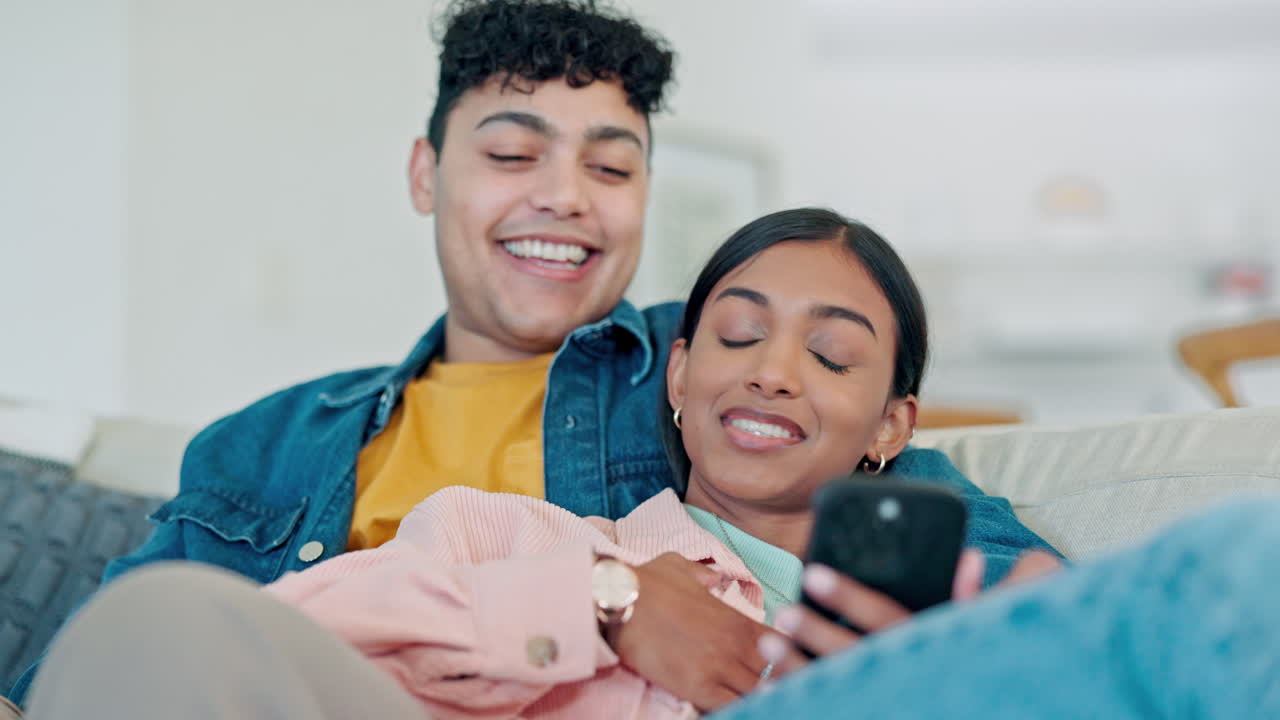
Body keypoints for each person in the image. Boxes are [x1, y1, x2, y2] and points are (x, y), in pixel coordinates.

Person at [8, 0, 1052, 709]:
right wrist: (609, 595)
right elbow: (108, 665)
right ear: (426, 173)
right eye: (512, 154)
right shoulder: (264, 444)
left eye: (611, 165)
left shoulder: (703, 381)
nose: (562, 195)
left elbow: (940, 546)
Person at [23, 208, 1060, 719]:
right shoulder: (531, 539)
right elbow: (274, 635)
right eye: (738, 339)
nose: (774, 374)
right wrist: (599, 599)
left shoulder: (942, 623)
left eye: (829, 355)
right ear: (678, 376)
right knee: (156, 618)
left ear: (893, 425)